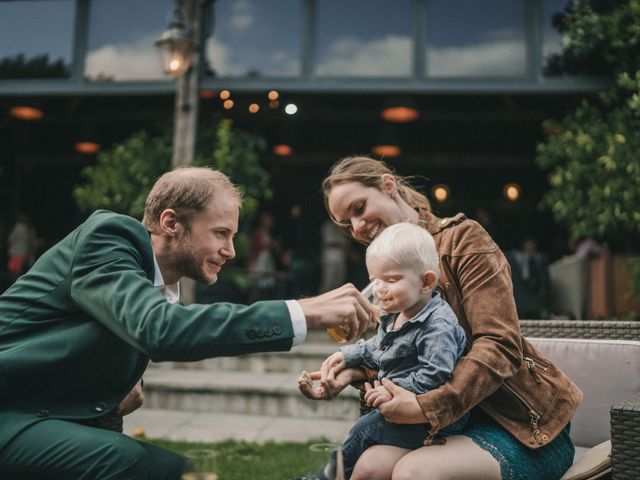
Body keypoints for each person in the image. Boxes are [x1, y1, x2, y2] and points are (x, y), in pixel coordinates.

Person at [0, 167, 374, 480]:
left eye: (233, 236)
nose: (230, 250)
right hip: (10, 410)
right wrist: (303, 312)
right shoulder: (109, 237)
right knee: (154, 469)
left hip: (34, 410)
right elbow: (162, 330)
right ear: (171, 222)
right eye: (220, 234)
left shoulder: (157, 284)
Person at [300, 156, 582, 480]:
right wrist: (355, 371)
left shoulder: (463, 240)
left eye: (359, 208)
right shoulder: (385, 281)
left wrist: (426, 407)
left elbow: (500, 345)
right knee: (367, 468)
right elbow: (410, 358)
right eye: (346, 224)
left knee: (414, 472)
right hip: (453, 423)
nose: (357, 227)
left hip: (522, 426)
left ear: (388, 185)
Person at [303, 222, 468, 479]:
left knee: (363, 430)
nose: (379, 289)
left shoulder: (438, 326)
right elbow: (379, 347)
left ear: (426, 281)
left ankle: (329, 475)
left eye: (391, 280)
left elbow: (436, 375)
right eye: (374, 280)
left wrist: (390, 387)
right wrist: (347, 355)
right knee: (366, 432)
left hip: (434, 418)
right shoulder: (396, 314)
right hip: (402, 407)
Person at [6, 212, 38, 282]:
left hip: (16, 253)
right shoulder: (29, 228)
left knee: (14, 273)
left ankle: (14, 286)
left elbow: (10, 239)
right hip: (25, 254)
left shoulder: (19, 227)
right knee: (19, 272)